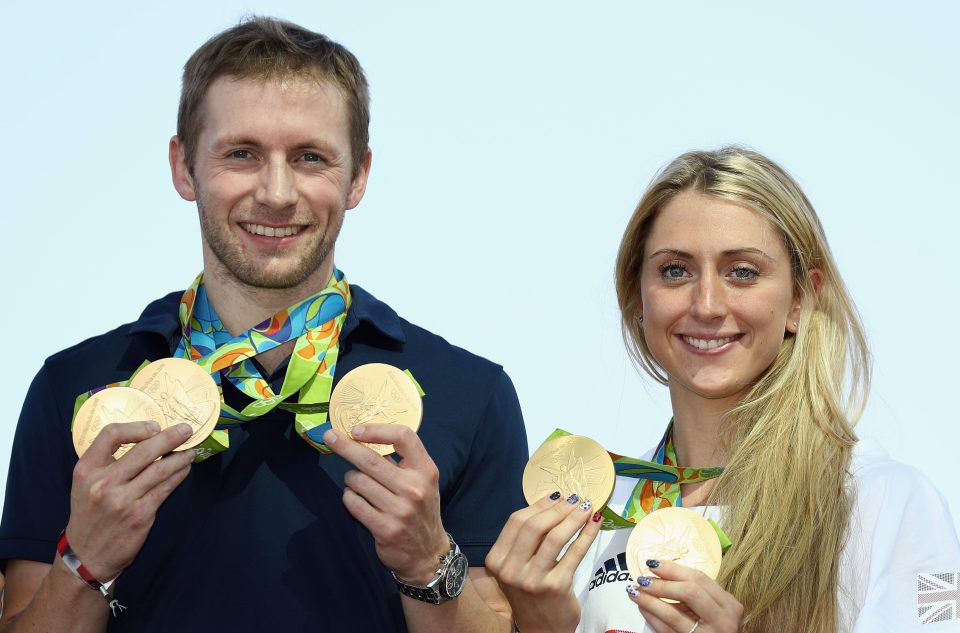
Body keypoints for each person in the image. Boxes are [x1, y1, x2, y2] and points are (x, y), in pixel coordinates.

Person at [0, 17, 527, 632]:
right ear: (183, 166)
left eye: (309, 157)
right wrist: (84, 562)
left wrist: (428, 562)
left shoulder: (471, 393)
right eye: (242, 154)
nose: (277, 193)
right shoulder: (78, 385)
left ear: (357, 175)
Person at [486, 146, 960, 633]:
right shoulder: (599, 509)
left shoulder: (891, 501)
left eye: (743, 272)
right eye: (675, 270)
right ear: (637, 300)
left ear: (801, 298)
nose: (707, 305)